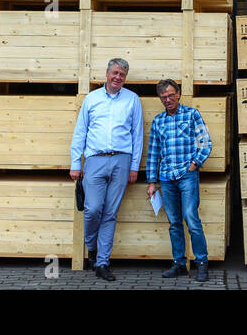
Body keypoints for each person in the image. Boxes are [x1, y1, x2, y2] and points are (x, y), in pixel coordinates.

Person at [69, 58, 142, 281]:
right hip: (94, 160)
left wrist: (134, 166)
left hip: (121, 160)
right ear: (107, 73)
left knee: (110, 213)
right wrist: (75, 163)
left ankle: (102, 262)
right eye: (115, 73)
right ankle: (91, 246)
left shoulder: (132, 99)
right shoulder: (91, 99)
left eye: (122, 75)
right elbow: (80, 132)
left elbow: (137, 135)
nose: (118, 77)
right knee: (92, 209)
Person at [145, 78, 212, 282]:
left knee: (191, 218)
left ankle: (201, 263)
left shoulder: (192, 114)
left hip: (187, 175)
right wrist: (151, 181)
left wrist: (194, 164)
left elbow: (205, 142)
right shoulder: (158, 121)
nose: (167, 100)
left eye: (171, 95)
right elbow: (153, 153)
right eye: (163, 97)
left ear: (179, 93)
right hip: (166, 178)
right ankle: (179, 264)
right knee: (174, 223)